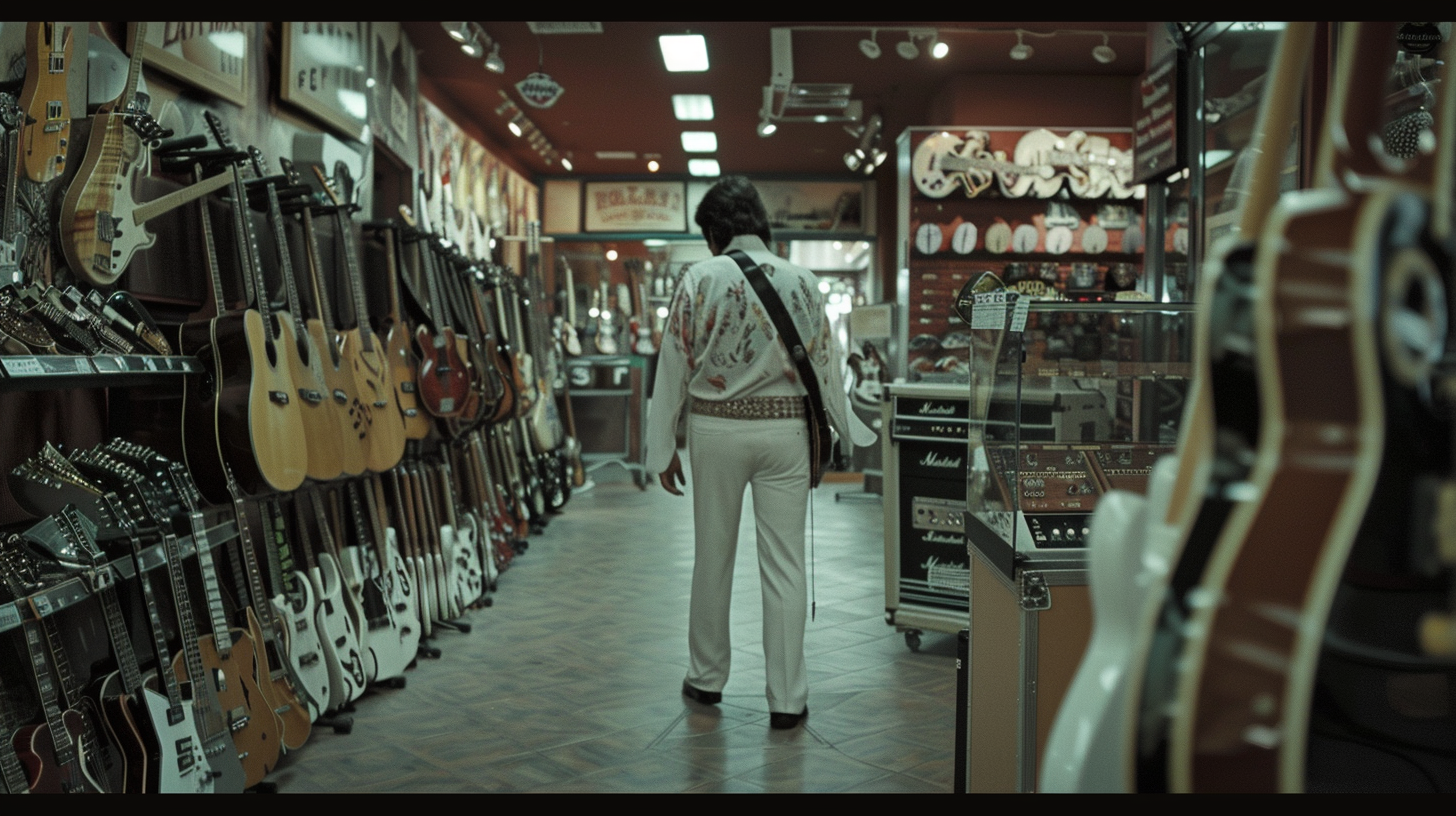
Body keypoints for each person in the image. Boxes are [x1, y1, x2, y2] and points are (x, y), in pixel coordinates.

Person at [645, 176, 875, 729]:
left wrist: (660, 449)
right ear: (760, 223)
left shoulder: (699, 279)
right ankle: (788, 698)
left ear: (715, 231)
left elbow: (672, 365)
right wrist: (847, 432)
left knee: (713, 556)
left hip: (717, 429)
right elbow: (826, 361)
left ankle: (706, 679)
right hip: (786, 433)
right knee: (786, 564)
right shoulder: (803, 281)